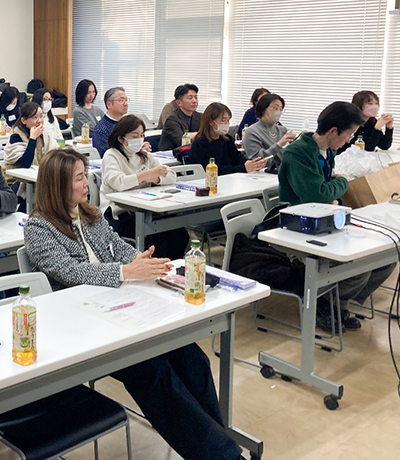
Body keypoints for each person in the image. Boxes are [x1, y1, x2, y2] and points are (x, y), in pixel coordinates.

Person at [24, 149, 245, 460]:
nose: (87, 183)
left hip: (121, 309)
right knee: (154, 373)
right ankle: (224, 455)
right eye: (79, 178)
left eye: (85, 175)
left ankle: (217, 446)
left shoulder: (90, 214)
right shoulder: (38, 228)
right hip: (82, 325)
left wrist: (142, 262)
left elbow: (118, 248)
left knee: (192, 358)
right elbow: (69, 271)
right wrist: (126, 271)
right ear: (57, 184)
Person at [278, 101, 395, 330]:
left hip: (325, 218)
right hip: (299, 225)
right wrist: (342, 182)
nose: (349, 140)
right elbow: (317, 195)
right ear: (333, 131)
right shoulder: (298, 152)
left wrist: (333, 197)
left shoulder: (328, 150)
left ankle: (335, 301)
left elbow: (325, 194)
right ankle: (326, 304)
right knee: (357, 266)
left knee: (386, 258)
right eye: (349, 134)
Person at [101, 115, 189, 258]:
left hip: (147, 209)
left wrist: (156, 178)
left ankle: (172, 267)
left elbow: (171, 175)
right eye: (134, 136)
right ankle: (156, 268)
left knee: (180, 234)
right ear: (121, 138)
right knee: (156, 240)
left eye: (142, 135)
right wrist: (146, 175)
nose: (139, 139)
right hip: (120, 213)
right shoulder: (111, 155)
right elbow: (118, 182)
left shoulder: (145, 156)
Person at [187, 103, 266, 174]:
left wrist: (252, 164)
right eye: (223, 120)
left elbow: (238, 158)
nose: (227, 123)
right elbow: (211, 170)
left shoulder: (227, 139)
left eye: (228, 120)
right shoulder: (200, 143)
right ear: (211, 122)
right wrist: (242, 168)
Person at [242, 93, 296, 173]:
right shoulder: (251, 132)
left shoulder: (282, 130)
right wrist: (278, 145)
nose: (278, 112)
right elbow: (257, 161)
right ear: (264, 108)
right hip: (261, 174)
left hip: (285, 172)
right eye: (275, 108)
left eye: (281, 109)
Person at [337, 90, 394, 154]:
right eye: (370, 103)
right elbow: (366, 148)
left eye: (376, 103)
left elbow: (384, 145)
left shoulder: (371, 121)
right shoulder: (351, 122)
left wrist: (389, 128)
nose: (374, 106)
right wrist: (377, 128)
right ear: (359, 105)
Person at [159, 83, 201, 151]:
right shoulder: (172, 120)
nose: (194, 101)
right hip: (172, 155)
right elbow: (182, 141)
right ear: (179, 103)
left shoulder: (200, 117)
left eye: (196, 97)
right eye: (190, 98)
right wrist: (199, 135)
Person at [92, 87, 129, 157]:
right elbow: (105, 155)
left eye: (126, 100)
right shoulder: (101, 130)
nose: (126, 104)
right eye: (121, 100)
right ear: (109, 104)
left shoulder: (128, 124)